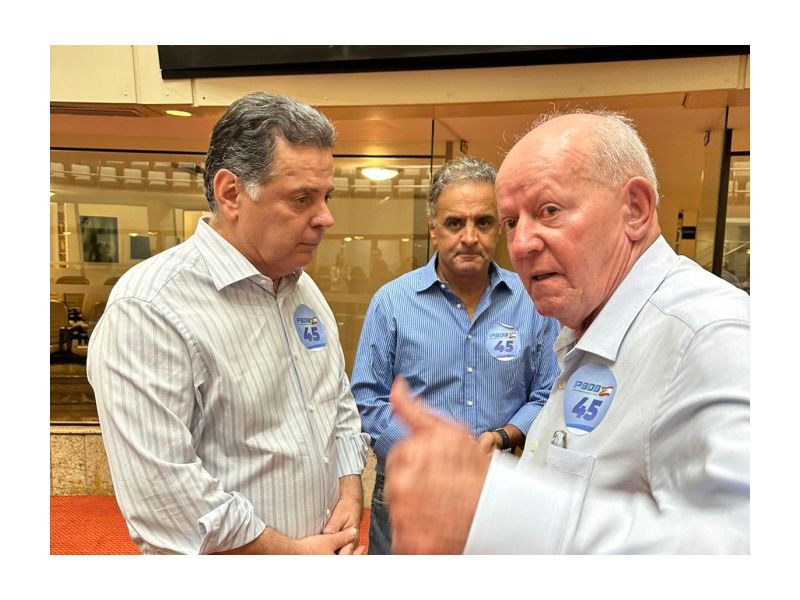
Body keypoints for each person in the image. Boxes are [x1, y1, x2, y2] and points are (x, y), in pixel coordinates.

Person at [384, 110, 750, 554]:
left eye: (549, 211)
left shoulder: (712, 336)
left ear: (635, 209)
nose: (521, 244)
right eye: (512, 222)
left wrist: (495, 509)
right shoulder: (585, 324)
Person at [87, 92, 370, 555]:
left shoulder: (302, 289)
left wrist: (349, 489)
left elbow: (334, 400)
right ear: (231, 193)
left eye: (325, 196)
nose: (326, 218)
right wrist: (295, 557)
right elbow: (165, 498)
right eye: (302, 198)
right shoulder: (150, 308)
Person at [351, 156, 560, 554]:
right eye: (454, 223)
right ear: (433, 228)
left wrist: (502, 436)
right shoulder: (392, 303)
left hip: (499, 483)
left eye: (483, 222)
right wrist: (428, 456)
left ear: (499, 225)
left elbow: (547, 393)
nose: (469, 236)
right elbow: (367, 400)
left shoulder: (530, 302)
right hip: (409, 485)